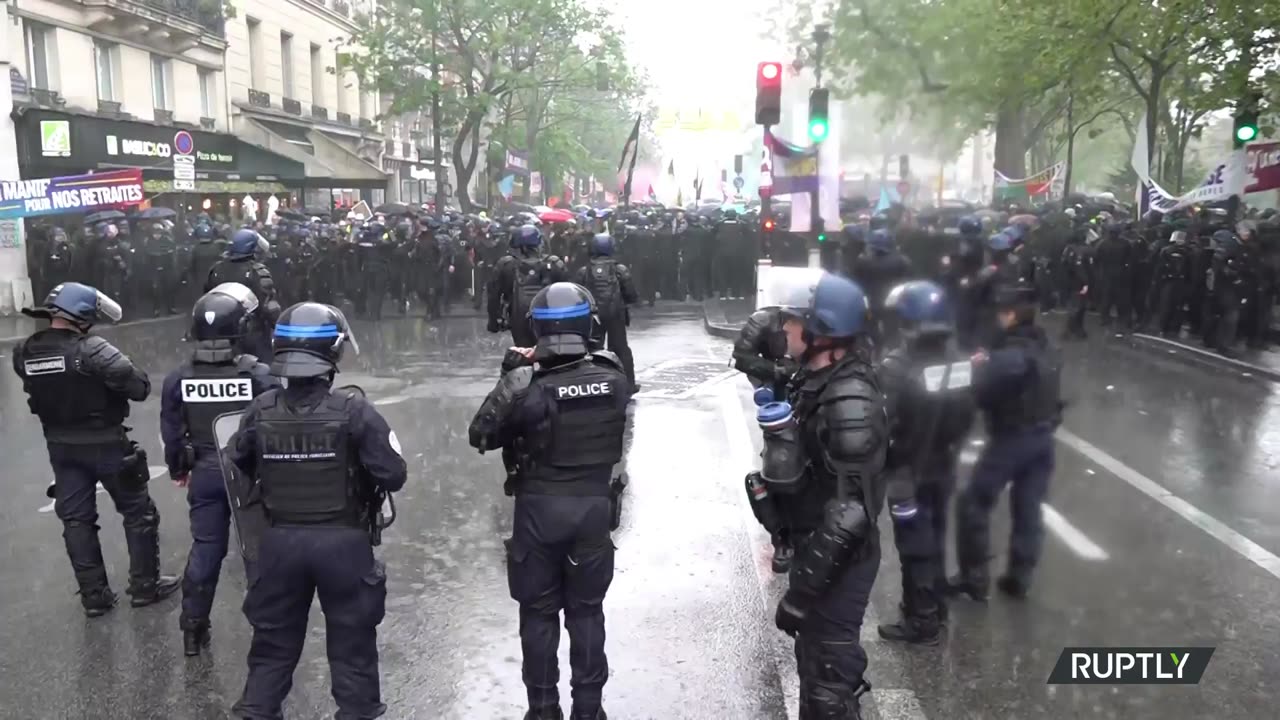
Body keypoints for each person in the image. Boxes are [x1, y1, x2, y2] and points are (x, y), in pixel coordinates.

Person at [227, 302, 407, 720]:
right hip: (342, 544)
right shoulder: (355, 411)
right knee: (352, 642)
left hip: (279, 543)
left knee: (271, 644)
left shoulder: (260, 409)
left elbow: (239, 462)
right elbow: (393, 475)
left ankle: (257, 710)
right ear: (333, 353)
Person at [468, 282, 631, 720]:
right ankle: (589, 710)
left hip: (539, 511)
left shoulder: (525, 384)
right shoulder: (614, 376)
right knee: (587, 614)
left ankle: (542, 709)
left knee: (538, 615)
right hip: (593, 510)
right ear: (588, 324)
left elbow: (481, 433)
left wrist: (512, 374)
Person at [12, 282, 179, 616]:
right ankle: (145, 587)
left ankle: (94, 598)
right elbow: (139, 387)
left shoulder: (25, 351)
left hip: (60, 447)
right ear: (83, 314)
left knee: (76, 520)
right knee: (138, 513)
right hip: (106, 444)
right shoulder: (90, 349)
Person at [769, 272, 888, 719]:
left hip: (839, 560)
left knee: (829, 681)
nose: (784, 330)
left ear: (821, 331)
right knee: (816, 668)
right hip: (822, 550)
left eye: (792, 322)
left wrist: (801, 593)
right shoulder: (819, 379)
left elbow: (851, 515)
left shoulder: (849, 398)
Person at [160, 283, 279, 656]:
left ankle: (193, 628)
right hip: (248, 473)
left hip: (207, 472)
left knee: (206, 549)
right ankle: (270, 628)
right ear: (240, 330)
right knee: (257, 551)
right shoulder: (258, 375)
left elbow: (171, 434)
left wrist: (180, 468)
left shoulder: (178, 379)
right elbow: (276, 425)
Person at [875, 281, 975, 645]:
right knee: (934, 536)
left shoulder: (897, 366)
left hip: (905, 472)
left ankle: (921, 619)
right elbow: (965, 415)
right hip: (942, 465)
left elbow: (881, 421)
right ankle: (936, 607)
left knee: (914, 545)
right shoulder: (958, 359)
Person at [951, 283, 1062, 601]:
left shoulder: (1010, 356)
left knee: (973, 503)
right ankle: (1020, 576)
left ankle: (974, 576)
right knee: (1028, 507)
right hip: (1043, 439)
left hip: (1012, 440)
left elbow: (979, 391)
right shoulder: (1049, 347)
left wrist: (978, 367)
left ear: (1010, 316)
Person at [575, 233, 641, 392]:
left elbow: (577, 294)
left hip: (592, 317)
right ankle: (629, 384)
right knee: (621, 349)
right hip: (615, 315)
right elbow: (631, 295)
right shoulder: (620, 269)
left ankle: (590, 384)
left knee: (592, 350)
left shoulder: (584, 271)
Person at [488, 224, 568, 348]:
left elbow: (493, 296)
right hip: (549, 321)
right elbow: (567, 295)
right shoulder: (554, 264)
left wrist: (494, 322)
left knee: (523, 355)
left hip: (518, 321)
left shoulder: (505, 265)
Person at [206, 228, 281, 358]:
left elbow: (208, 298)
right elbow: (268, 306)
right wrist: (279, 327)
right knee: (264, 369)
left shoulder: (216, 269)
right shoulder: (258, 271)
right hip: (252, 333)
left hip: (221, 333)